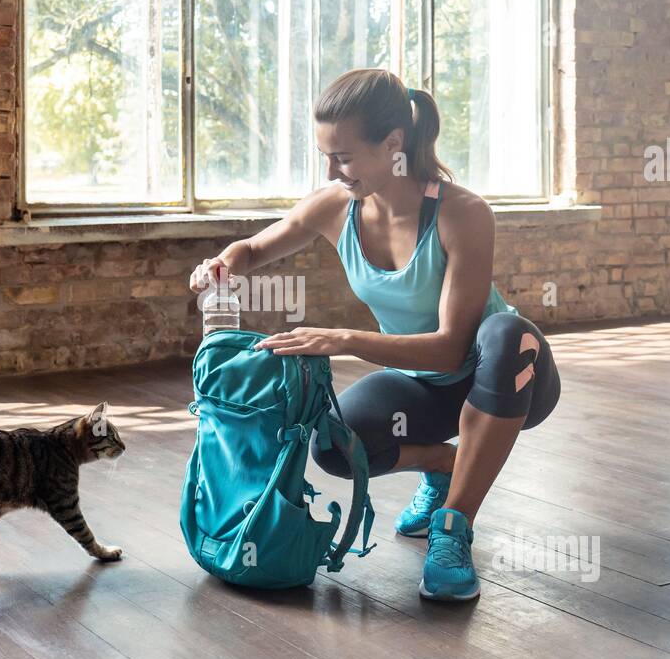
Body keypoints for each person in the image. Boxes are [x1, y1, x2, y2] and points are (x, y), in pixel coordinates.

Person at [188, 68, 560, 601]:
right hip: (423, 387)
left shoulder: (463, 213)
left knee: (505, 333)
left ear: (393, 144)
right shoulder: (336, 207)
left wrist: (342, 339)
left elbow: (453, 346)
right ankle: (442, 466)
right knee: (335, 446)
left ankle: (453, 527)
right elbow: (254, 247)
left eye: (342, 156)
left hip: (507, 377)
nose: (332, 170)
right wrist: (223, 262)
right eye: (324, 155)